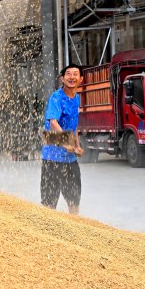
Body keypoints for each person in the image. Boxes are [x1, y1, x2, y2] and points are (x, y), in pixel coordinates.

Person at [41, 64, 84, 214]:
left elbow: (74, 125)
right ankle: (47, 233)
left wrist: (77, 146)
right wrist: (66, 142)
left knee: (74, 199)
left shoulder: (77, 98)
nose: (72, 77)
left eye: (75, 74)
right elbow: (53, 122)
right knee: (49, 202)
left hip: (69, 159)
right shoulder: (56, 97)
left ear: (81, 79)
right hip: (51, 157)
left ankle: (74, 228)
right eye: (68, 74)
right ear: (62, 79)